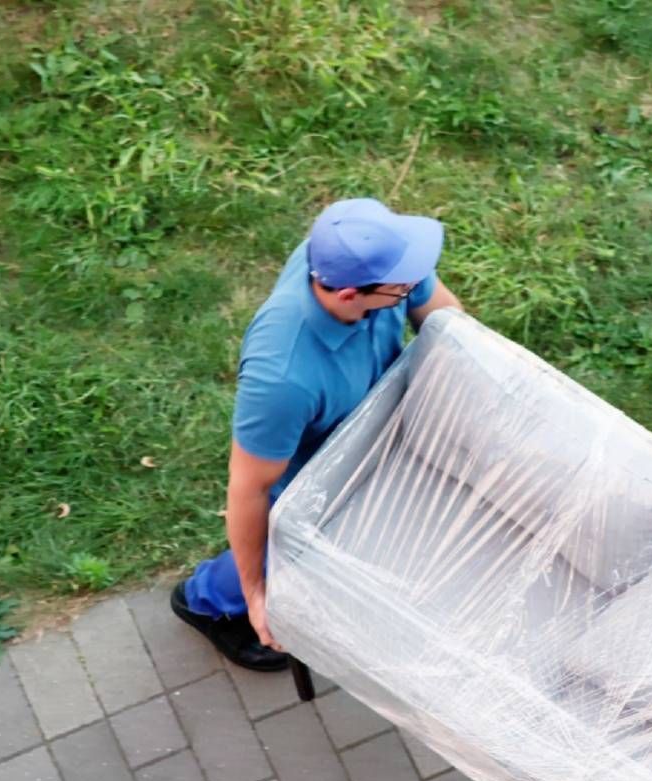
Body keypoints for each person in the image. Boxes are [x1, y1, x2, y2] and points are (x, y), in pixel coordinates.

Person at [172, 197, 462, 669]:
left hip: (371, 436)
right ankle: (205, 600)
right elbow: (250, 487)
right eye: (403, 286)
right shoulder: (282, 377)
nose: (414, 287)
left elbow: (446, 320)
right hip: (314, 479)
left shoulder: (370, 260)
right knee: (283, 558)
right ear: (350, 296)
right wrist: (257, 593)